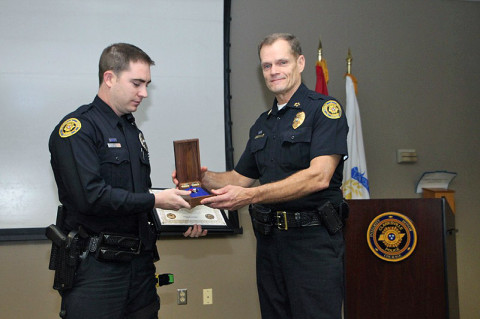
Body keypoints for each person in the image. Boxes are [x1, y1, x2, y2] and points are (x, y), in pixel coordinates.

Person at [174, 33, 349, 318]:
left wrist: (253, 195)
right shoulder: (262, 124)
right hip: (270, 244)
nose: (274, 71)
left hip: (313, 243)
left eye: (282, 62)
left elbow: (319, 176)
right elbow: (238, 179)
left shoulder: (324, 111)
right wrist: (201, 178)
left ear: (300, 62)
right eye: (267, 65)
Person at [49, 43, 206, 319]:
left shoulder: (132, 133)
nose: (144, 93)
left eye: (146, 84)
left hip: (140, 267)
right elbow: (91, 197)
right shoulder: (78, 129)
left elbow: (137, 200)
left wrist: (184, 216)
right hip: (97, 270)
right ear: (109, 78)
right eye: (137, 83)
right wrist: (157, 199)